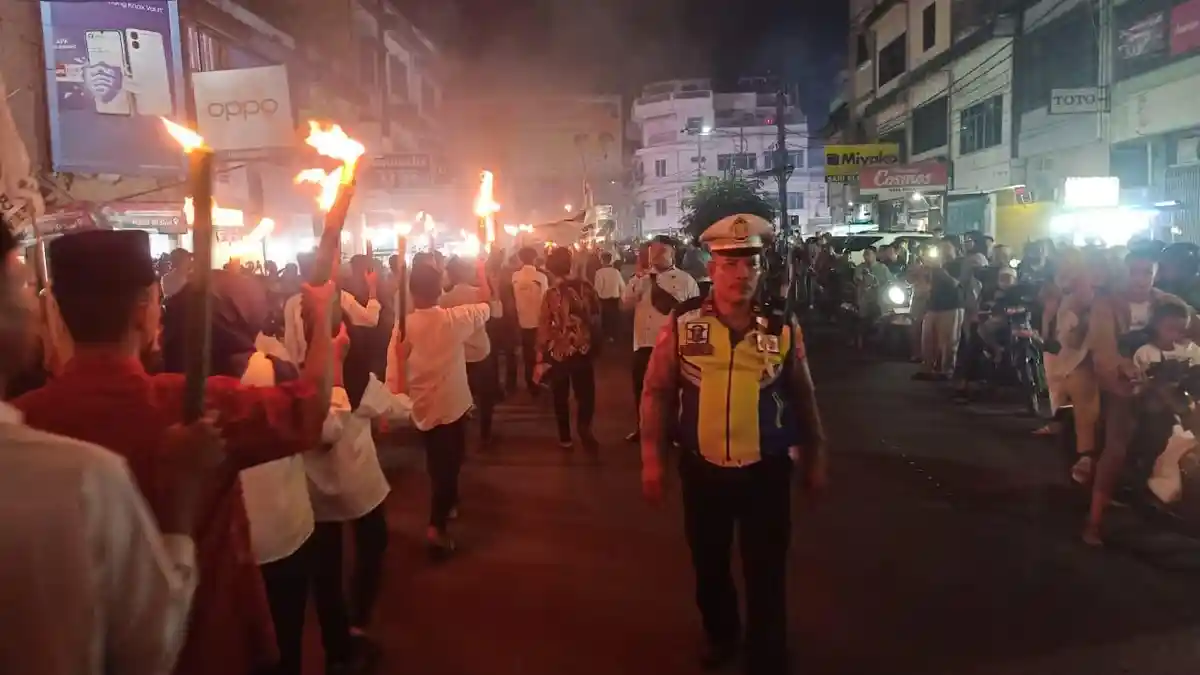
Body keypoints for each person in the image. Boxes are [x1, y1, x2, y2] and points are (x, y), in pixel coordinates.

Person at [15, 229, 335, 675]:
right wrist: (323, 319)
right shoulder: (194, 407)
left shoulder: (22, 422)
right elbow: (309, 409)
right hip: (202, 643)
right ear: (145, 307)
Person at [0, 218, 221, 675]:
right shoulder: (78, 478)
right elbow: (149, 649)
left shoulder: (41, 420)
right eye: (20, 281)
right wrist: (181, 509)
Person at [640, 213, 827, 675]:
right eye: (731, 264)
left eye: (752, 264)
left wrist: (816, 454)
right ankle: (721, 634)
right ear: (712, 269)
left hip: (765, 469)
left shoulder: (781, 327)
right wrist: (652, 459)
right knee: (709, 564)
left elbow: (803, 394)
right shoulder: (683, 324)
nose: (743, 274)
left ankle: (767, 648)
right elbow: (658, 391)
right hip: (702, 470)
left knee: (766, 568)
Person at [160, 271, 322, 675]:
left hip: (200, 554)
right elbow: (316, 414)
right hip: (274, 541)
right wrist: (324, 329)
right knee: (280, 647)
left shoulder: (157, 382)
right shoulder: (265, 376)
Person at [1085, 249, 1200, 545]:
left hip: (1168, 380)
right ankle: (1094, 521)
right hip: (1125, 385)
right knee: (1117, 448)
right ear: (1125, 272)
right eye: (1134, 272)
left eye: (1146, 272)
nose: (1140, 279)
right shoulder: (1106, 303)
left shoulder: (1165, 301)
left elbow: (1192, 323)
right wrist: (1123, 368)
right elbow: (1103, 347)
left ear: (1155, 274)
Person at [404, 261, 491, 558]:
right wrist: (481, 272)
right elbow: (486, 305)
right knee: (450, 464)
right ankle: (436, 523)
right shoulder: (454, 320)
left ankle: (446, 504)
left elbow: (395, 368)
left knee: (436, 459)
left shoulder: (405, 326)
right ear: (440, 290)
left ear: (412, 292)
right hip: (451, 405)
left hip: (421, 405)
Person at [622, 235, 700, 442]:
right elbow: (625, 304)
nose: (656, 255)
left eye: (661, 251)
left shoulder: (685, 280)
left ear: (672, 253)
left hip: (670, 344)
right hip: (642, 344)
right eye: (652, 251)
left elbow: (694, 313)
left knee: (671, 391)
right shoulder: (641, 278)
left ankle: (673, 431)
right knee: (642, 389)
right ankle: (643, 428)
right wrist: (638, 280)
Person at [535, 246, 601, 451]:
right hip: (583, 348)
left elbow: (544, 325)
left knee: (560, 395)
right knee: (586, 393)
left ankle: (565, 437)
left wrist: (540, 354)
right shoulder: (586, 287)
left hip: (559, 351)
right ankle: (584, 425)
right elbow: (597, 316)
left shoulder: (551, 294)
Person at [441, 256, 498, 445]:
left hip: (458, 355)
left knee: (461, 397)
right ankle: (486, 432)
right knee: (485, 396)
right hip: (481, 351)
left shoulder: (445, 299)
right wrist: (482, 273)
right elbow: (490, 300)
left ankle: (461, 435)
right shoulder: (477, 294)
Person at [511, 246, 549, 396]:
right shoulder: (541, 277)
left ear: (520, 258)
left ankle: (530, 383)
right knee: (540, 354)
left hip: (522, 320)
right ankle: (538, 382)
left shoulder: (514, 277)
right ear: (535, 259)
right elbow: (546, 300)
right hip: (539, 321)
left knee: (527, 354)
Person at [593, 251, 624, 343]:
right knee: (615, 318)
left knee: (606, 318)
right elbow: (622, 286)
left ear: (602, 260)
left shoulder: (599, 272)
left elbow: (598, 288)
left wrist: (595, 297)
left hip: (604, 300)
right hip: (615, 299)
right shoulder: (616, 272)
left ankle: (608, 336)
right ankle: (615, 336)